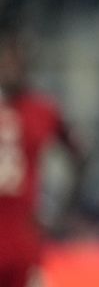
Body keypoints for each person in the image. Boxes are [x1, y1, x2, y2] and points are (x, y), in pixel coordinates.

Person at [0, 26, 85, 287]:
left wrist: (59, 209)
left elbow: (80, 154)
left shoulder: (43, 109)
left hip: (23, 236)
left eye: (17, 59)